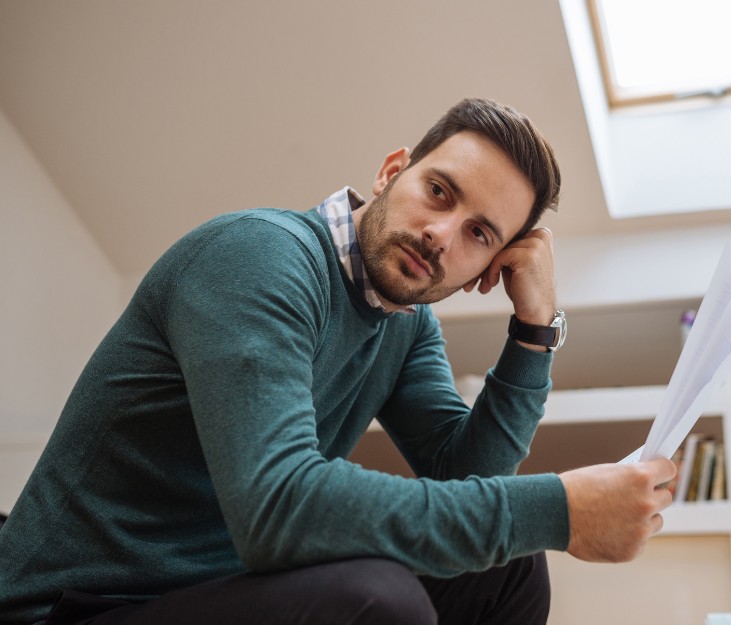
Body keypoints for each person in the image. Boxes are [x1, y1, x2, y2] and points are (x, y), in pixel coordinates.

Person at [0, 98, 675, 625]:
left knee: (508, 569)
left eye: (479, 234)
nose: (442, 234)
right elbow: (278, 508)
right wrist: (558, 510)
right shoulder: (260, 258)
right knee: (378, 603)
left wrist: (535, 332)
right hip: (74, 605)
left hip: (208, 586)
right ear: (391, 171)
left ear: (485, 270)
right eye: (440, 191)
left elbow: (467, 477)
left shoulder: (405, 326)